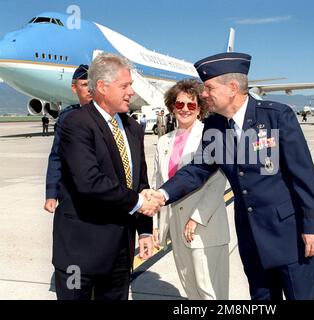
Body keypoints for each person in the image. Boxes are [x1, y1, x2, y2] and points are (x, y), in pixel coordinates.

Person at [148, 52, 314, 300]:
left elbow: (303, 175)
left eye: (208, 88)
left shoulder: (275, 116)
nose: (204, 94)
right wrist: (162, 194)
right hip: (251, 238)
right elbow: (198, 169)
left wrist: (313, 227)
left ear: (231, 88)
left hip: (289, 236)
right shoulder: (216, 126)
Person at [52, 52, 162, 300]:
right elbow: (89, 182)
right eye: (125, 85)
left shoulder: (133, 127)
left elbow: (140, 183)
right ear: (102, 87)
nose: (131, 92)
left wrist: (144, 230)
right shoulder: (76, 124)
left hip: (120, 254)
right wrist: (140, 203)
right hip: (80, 254)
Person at [151, 79, 230, 300]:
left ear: (200, 108)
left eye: (191, 105)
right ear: (172, 107)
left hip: (205, 225)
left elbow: (217, 183)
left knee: (210, 291)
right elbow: (158, 182)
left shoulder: (210, 135)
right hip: (176, 226)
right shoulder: (164, 141)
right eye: (180, 104)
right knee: (190, 289)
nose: (185, 109)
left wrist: (196, 217)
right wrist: (158, 225)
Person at [44, 64, 92, 214]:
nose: (89, 89)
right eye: (84, 85)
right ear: (74, 88)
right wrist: (51, 193)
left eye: (92, 84)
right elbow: (56, 156)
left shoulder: (109, 115)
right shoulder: (67, 118)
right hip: (74, 193)